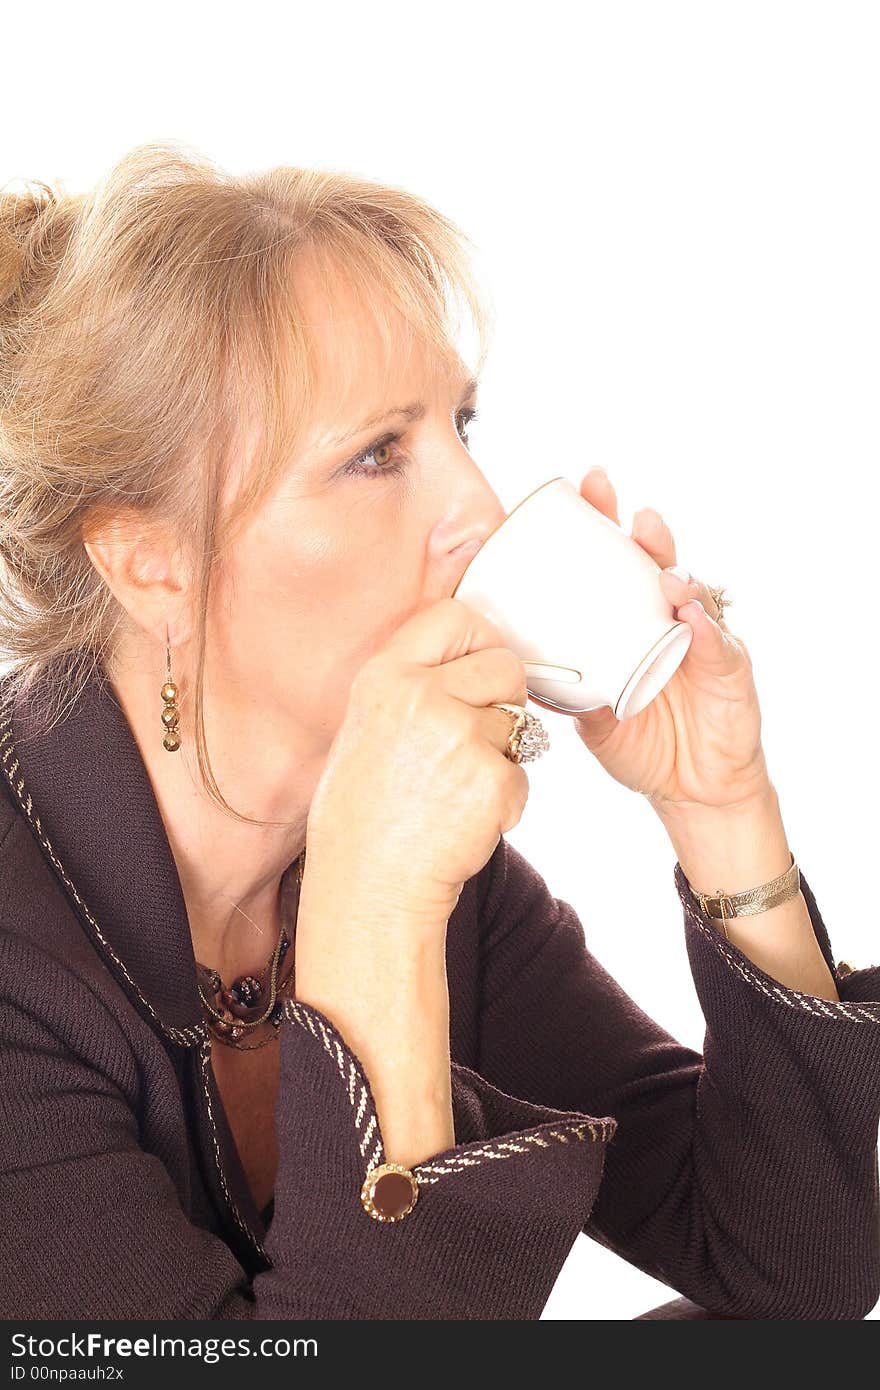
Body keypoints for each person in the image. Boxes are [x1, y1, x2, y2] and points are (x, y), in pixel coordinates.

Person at [0, 142, 878, 1322]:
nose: (476, 504)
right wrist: (374, 913)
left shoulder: (425, 880)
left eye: (460, 423)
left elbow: (795, 1273)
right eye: (377, 453)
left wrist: (721, 808)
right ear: (149, 556)